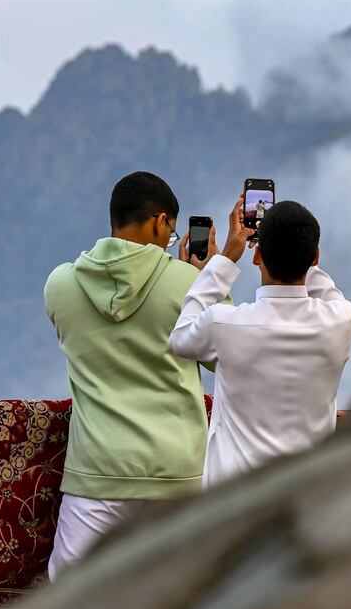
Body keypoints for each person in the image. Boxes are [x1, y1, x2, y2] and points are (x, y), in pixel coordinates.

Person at [44, 171, 220, 580]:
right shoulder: (188, 284)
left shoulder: (60, 284)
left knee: (70, 603)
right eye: (172, 232)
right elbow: (218, 354)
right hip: (175, 471)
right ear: (161, 222)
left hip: (96, 470)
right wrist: (206, 280)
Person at [169, 198, 351, 486]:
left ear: (257, 256)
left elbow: (181, 337)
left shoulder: (224, 324)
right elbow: (329, 292)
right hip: (308, 496)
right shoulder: (342, 321)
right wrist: (299, 247)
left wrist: (222, 263)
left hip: (233, 502)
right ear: (315, 258)